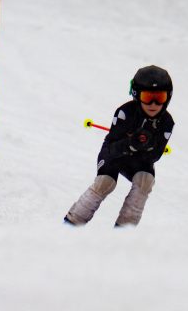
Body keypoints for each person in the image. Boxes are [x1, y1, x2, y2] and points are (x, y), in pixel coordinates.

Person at [64, 65, 174, 227]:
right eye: (148, 96)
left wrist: (148, 145)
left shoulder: (166, 122)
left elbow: (155, 156)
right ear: (136, 95)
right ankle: (72, 223)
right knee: (105, 182)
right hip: (114, 156)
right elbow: (112, 149)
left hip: (139, 160)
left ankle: (124, 230)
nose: (153, 104)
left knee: (145, 181)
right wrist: (131, 143)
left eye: (160, 98)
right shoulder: (125, 112)